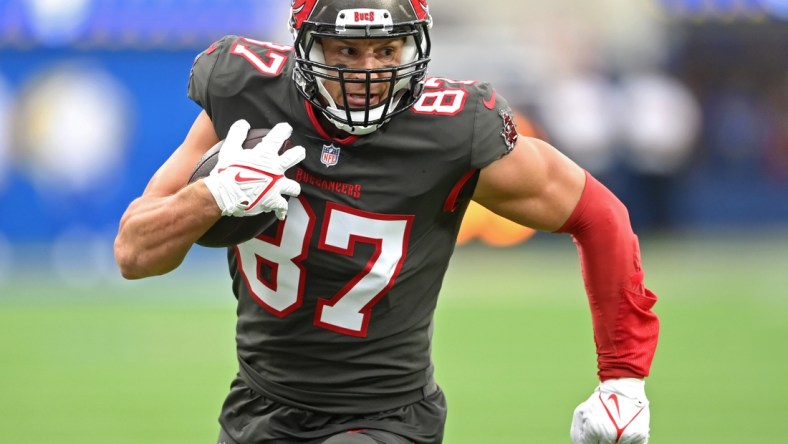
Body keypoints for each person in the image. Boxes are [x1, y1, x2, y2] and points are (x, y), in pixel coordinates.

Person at [114, 1, 659, 443]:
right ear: (306, 47)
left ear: (413, 48)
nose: (368, 71)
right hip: (258, 407)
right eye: (346, 50)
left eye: (386, 49)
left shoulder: (452, 130)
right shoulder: (246, 94)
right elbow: (134, 254)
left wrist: (623, 378)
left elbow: (599, 214)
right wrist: (214, 195)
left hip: (386, 419)